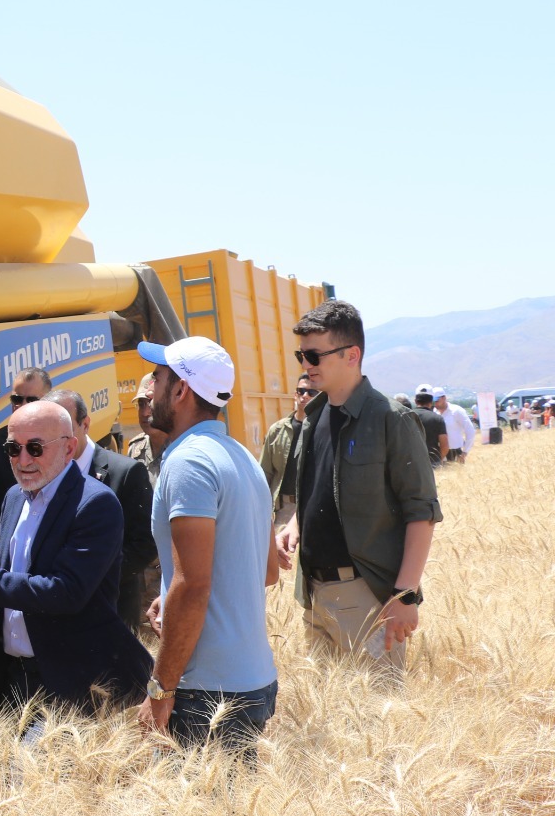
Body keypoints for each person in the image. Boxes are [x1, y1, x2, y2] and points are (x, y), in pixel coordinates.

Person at [0, 402, 152, 712]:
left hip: (74, 679)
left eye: (35, 448)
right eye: (13, 448)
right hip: (13, 679)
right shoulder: (13, 497)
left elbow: (65, 592)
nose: (22, 460)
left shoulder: (95, 504)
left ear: (69, 447)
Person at [277, 300, 440, 674]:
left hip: (367, 595)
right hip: (312, 594)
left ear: (351, 355)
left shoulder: (391, 420)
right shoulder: (313, 417)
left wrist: (405, 595)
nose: (305, 365)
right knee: (327, 724)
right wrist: (294, 526)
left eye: (314, 356)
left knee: (376, 720)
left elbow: (422, 513)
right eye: (300, 355)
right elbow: (322, 490)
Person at [133, 337, 278, 756]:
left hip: (205, 691)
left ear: (180, 392)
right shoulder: (242, 457)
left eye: (159, 378)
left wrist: (161, 690)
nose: (150, 390)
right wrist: (169, 598)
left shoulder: (187, 462)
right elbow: (267, 571)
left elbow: (193, 584)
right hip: (253, 678)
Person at [43, 387, 156, 633]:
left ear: (85, 424)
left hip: (111, 610)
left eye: (65, 428)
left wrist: (91, 575)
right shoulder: (41, 475)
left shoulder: (124, 473)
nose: (57, 439)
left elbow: (145, 543)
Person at [0, 367, 52, 561]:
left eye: (31, 400)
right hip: (7, 556)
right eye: (16, 399)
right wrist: (22, 531)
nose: (22, 405)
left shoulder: (59, 444)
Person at [260, 374, 315, 537]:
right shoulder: (277, 431)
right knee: (284, 560)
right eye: (301, 390)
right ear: (295, 393)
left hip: (313, 508)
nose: (305, 396)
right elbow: (264, 474)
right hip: (284, 509)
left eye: (312, 392)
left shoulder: (323, 430)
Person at [125, 373, 168, 479]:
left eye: (151, 403)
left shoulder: (180, 448)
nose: (145, 413)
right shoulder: (136, 449)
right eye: (141, 404)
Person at [411, 385, 450, 468]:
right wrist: (437, 460)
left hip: (411, 464)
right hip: (432, 463)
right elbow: (445, 446)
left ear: (415, 401)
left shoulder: (406, 417)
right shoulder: (437, 418)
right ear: (431, 401)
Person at [433, 390, 473, 463]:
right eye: (432, 401)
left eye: (436, 400)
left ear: (444, 398)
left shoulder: (457, 411)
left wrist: (465, 452)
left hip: (454, 453)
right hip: (438, 454)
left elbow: (470, 430)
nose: (435, 403)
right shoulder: (433, 413)